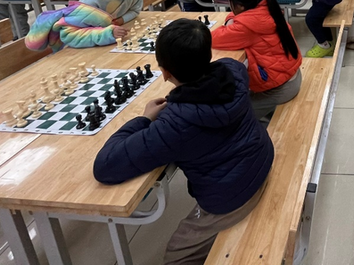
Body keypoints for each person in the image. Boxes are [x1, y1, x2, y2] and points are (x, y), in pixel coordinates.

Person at [93, 19, 273, 265]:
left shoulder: (174, 125)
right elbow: (228, 66)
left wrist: (144, 118)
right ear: (207, 55)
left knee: (177, 257)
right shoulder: (233, 71)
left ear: (165, 72)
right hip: (258, 160)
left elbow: (105, 167)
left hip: (232, 195)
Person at [211, 0, 303, 123]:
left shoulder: (247, 27)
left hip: (280, 89)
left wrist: (231, 19)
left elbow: (213, 38)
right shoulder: (267, 5)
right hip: (290, 76)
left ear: (240, 5)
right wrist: (234, 19)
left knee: (231, 119)